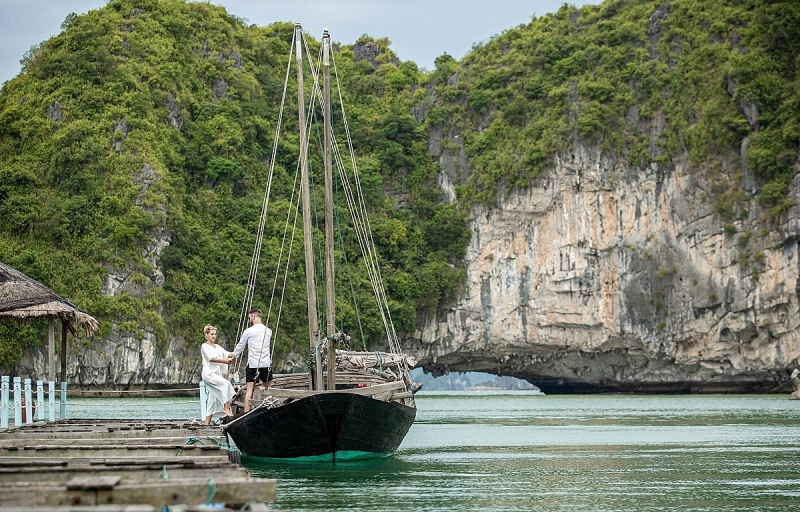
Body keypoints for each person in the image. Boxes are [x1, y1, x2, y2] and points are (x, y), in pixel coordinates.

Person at [233, 307, 273, 412]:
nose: (249, 320)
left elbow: (240, 346)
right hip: (266, 364)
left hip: (253, 364)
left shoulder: (249, 331)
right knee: (268, 389)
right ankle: (269, 410)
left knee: (249, 390)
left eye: (249, 318)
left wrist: (233, 356)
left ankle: (246, 413)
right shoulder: (268, 331)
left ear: (253, 316)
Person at [200, 325, 236, 425]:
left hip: (217, 374)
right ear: (206, 335)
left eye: (215, 334)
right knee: (226, 384)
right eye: (211, 334)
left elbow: (228, 354)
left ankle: (206, 423)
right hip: (209, 374)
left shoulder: (218, 347)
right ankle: (226, 408)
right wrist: (225, 361)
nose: (214, 336)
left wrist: (236, 353)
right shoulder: (204, 346)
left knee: (213, 398)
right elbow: (210, 358)